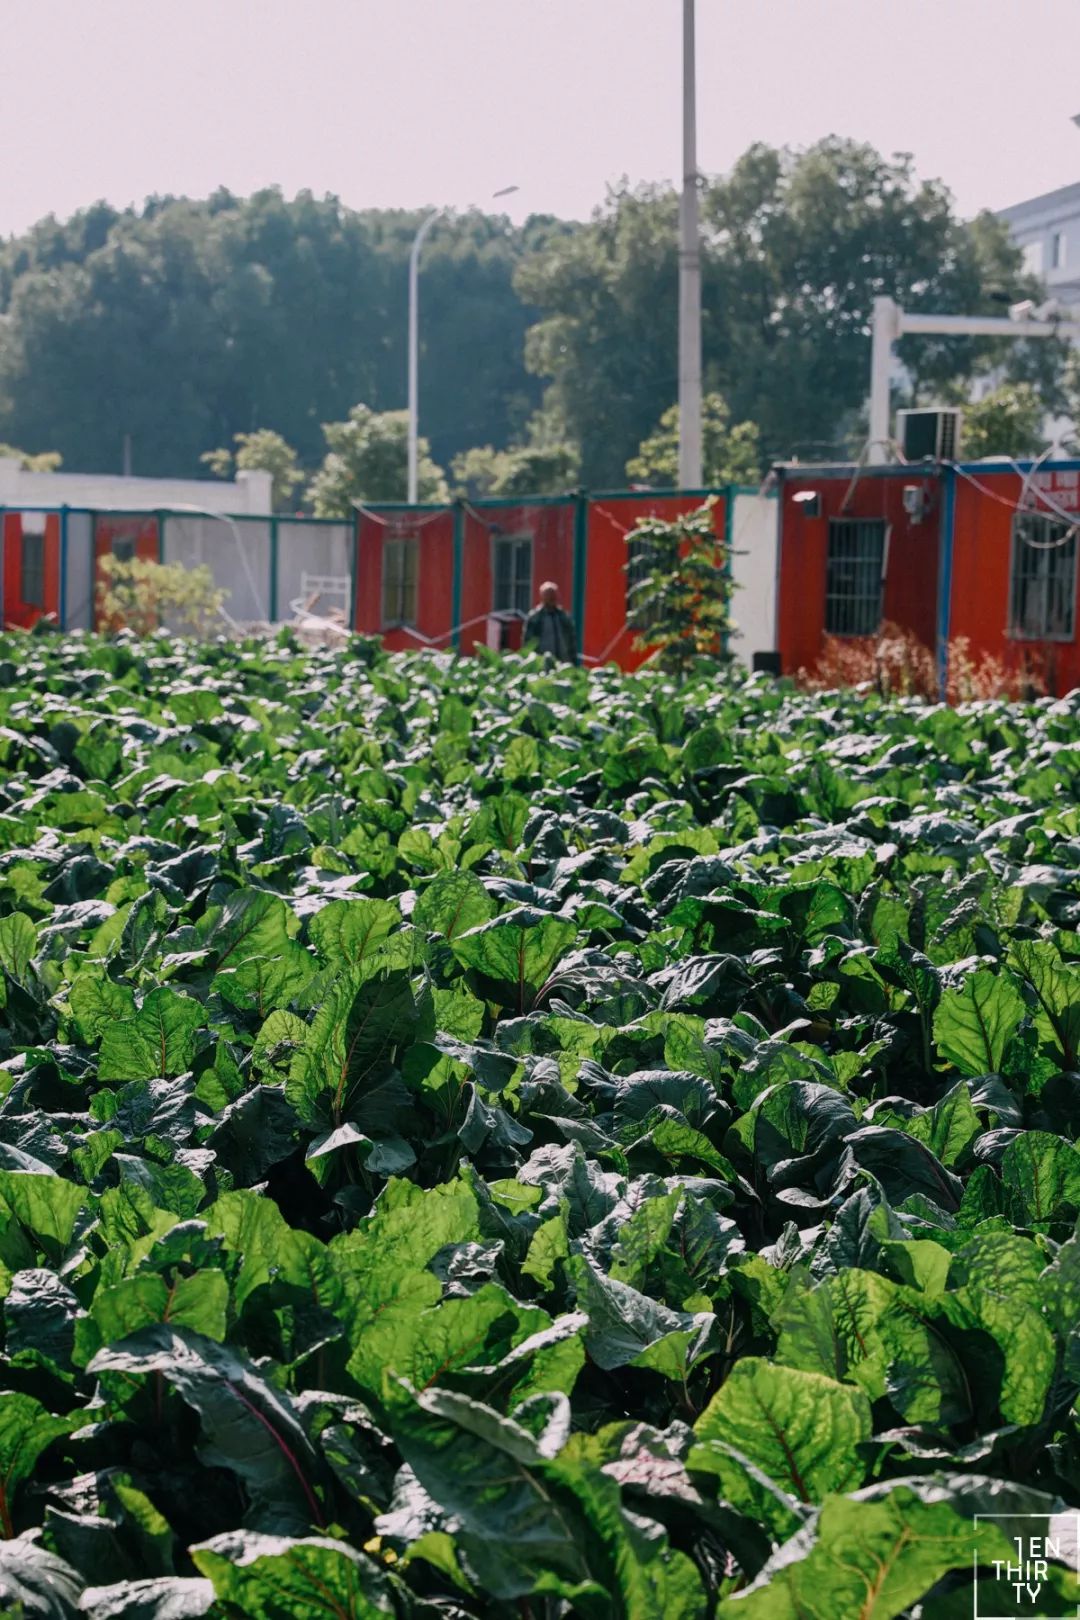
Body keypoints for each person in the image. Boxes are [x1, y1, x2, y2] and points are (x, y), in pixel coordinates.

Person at [522, 581, 578, 664]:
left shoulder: (563, 616)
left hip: (562, 661)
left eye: (553, 595)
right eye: (549, 596)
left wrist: (573, 659)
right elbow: (528, 643)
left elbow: (571, 640)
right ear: (543, 597)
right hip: (541, 661)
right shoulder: (535, 617)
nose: (552, 598)